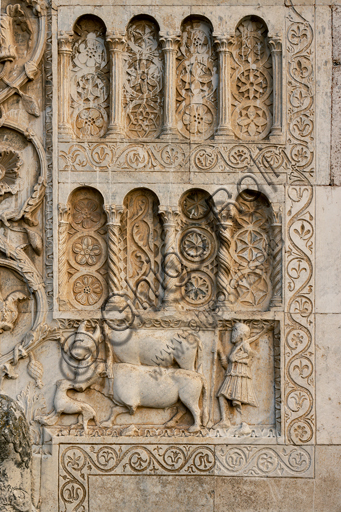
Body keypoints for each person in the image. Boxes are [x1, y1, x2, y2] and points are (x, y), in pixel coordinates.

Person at [214, 322, 267, 429]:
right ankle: (225, 420)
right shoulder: (237, 347)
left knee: (222, 395)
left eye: (235, 331)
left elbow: (253, 354)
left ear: (241, 335)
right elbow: (227, 367)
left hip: (239, 375)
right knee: (222, 395)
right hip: (232, 373)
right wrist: (220, 353)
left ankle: (226, 420)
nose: (232, 334)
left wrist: (242, 359)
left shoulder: (244, 345)